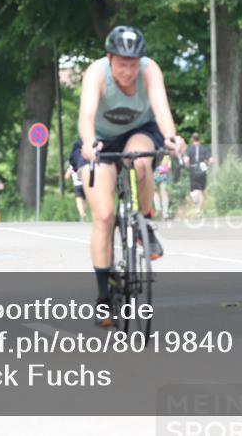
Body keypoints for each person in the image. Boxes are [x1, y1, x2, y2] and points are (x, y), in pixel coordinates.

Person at [78, 25, 185, 327]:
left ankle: (144, 223)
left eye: (133, 64)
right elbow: (86, 115)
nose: (128, 71)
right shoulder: (96, 73)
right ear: (109, 59)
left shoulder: (150, 71)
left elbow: (162, 109)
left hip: (139, 132)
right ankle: (102, 298)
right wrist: (88, 145)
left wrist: (172, 137)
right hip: (98, 141)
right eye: (122, 64)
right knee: (104, 215)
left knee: (140, 162)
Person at [184, 133, 212, 217]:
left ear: (192, 139)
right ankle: (199, 210)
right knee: (201, 191)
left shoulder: (189, 149)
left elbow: (186, 160)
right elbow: (211, 160)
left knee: (193, 191)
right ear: (200, 139)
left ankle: (196, 203)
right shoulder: (204, 149)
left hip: (193, 170)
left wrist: (188, 166)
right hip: (202, 170)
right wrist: (207, 166)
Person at [67, 140, 89, 222]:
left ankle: (81, 212)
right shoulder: (86, 163)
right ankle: (84, 212)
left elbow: (67, 176)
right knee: (84, 200)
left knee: (78, 200)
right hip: (84, 184)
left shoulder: (72, 166)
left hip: (77, 185)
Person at [153, 154, 172, 219]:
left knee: (158, 192)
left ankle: (160, 210)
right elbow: (169, 166)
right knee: (161, 193)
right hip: (160, 175)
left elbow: (169, 166)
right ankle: (163, 211)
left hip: (157, 175)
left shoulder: (166, 156)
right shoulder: (166, 155)